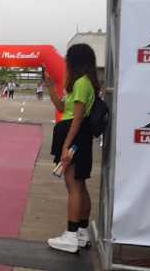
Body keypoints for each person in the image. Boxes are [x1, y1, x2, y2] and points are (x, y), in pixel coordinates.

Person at [44, 43, 98, 253]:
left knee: (73, 186)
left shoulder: (82, 84)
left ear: (76, 61)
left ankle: (71, 235)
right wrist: (50, 86)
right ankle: (82, 232)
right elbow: (61, 107)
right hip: (76, 136)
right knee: (80, 185)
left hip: (73, 136)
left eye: (69, 59)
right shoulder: (82, 83)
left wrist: (66, 146)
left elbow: (76, 118)